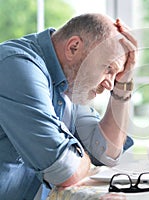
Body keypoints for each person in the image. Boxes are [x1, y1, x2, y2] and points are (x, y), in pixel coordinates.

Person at [0, 13, 137, 199]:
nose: (110, 85)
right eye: (108, 69)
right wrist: (83, 162)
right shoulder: (16, 66)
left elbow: (107, 152)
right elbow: (65, 172)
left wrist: (125, 81)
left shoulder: (68, 85)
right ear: (73, 47)